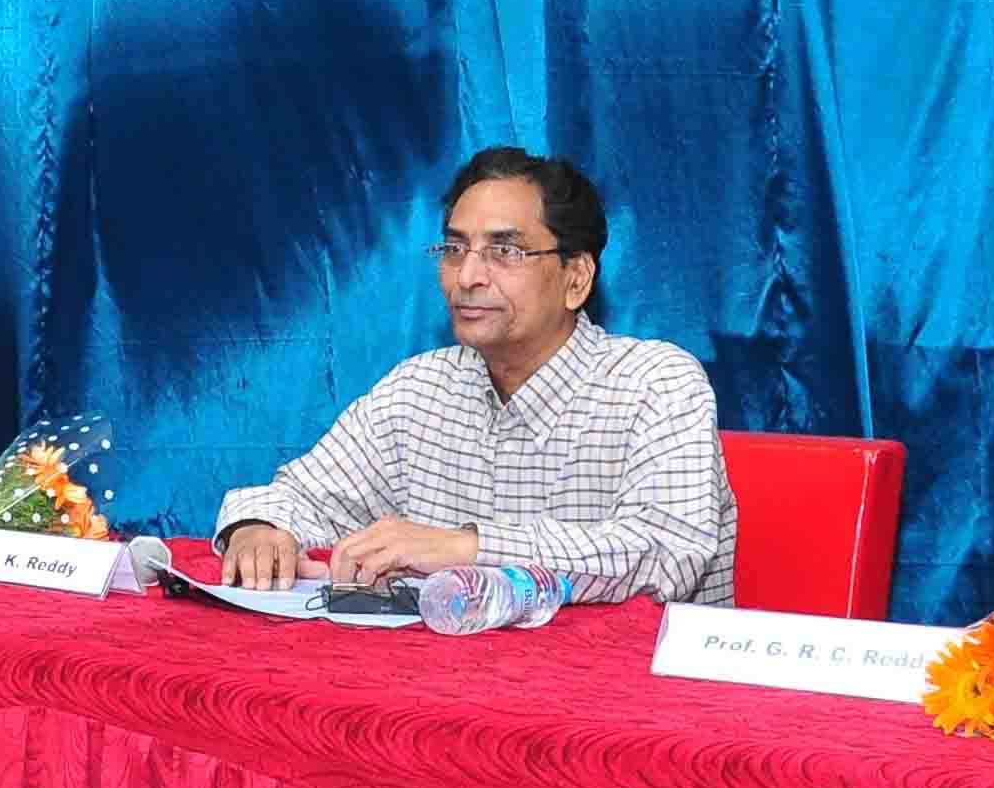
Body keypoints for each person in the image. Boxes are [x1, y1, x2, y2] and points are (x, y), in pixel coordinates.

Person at [213, 145, 735, 607]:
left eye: (504, 252)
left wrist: (468, 548)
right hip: (449, 677)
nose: (467, 276)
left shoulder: (657, 383)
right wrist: (261, 529)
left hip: (625, 679)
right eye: (454, 249)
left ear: (575, 278)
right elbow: (302, 497)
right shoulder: (420, 389)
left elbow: (667, 555)